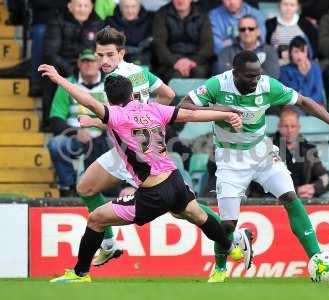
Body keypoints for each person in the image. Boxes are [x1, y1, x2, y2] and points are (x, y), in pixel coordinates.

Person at [39, 65, 253, 283]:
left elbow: (87, 100)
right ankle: (233, 243)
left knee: (96, 219)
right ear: (132, 94)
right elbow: (191, 113)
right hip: (175, 180)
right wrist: (226, 115)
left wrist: (59, 79)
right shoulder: (153, 109)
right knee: (200, 217)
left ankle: (79, 274)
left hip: (153, 194)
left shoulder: (115, 115)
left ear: (109, 99)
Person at [180, 50, 329, 282]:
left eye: (258, 75)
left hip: (261, 153)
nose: (255, 81)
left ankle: (317, 257)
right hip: (230, 159)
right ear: (235, 73)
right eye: (249, 76)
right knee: (226, 228)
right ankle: (220, 268)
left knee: (290, 197)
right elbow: (184, 106)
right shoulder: (218, 84)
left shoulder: (267, 86)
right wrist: (219, 111)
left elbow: (304, 102)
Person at [72, 27, 175, 267]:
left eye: (109, 55)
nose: (103, 61)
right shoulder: (139, 72)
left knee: (182, 207)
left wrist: (92, 121)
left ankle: (229, 238)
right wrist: (151, 122)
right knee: (86, 188)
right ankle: (109, 245)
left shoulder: (114, 81)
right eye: (100, 55)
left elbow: (117, 118)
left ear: (121, 53)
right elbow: (168, 94)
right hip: (126, 150)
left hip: (137, 156)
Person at [47, 49, 109, 197]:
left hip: (105, 138)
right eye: (85, 61)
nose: (88, 65)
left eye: (92, 61)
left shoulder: (111, 84)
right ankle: (69, 187)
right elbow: (56, 120)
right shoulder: (67, 84)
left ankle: (121, 190)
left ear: (99, 64)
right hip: (75, 138)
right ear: (79, 64)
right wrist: (76, 132)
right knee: (55, 144)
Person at [42, 0, 104, 129]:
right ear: (70, 6)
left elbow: (101, 51)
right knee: (50, 72)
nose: (82, 9)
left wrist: (91, 65)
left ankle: (106, 118)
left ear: (91, 7)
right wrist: (71, 70)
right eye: (79, 5)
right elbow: (50, 52)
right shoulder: (57, 21)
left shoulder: (99, 24)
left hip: (89, 62)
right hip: (63, 64)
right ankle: (49, 121)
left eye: (85, 6)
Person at [272, 109, 329, 198]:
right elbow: (262, 183)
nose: (289, 130)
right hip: (275, 202)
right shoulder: (268, 148)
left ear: (299, 127)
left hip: (303, 200)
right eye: (285, 126)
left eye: (293, 126)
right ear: (279, 127)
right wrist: (295, 191)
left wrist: (313, 188)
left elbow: (324, 177)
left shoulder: (308, 149)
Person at [152, 0, 213, 83]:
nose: (180, 1)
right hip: (169, 62)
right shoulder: (162, 14)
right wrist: (175, 62)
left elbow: (207, 44)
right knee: (175, 76)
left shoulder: (202, 15)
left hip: (196, 61)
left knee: (200, 73)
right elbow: (159, 43)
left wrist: (192, 61)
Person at [217, 14, 280, 79]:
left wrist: (240, 69)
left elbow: (273, 78)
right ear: (238, 32)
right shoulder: (226, 52)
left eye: (251, 29)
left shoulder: (270, 51)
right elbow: (224, 77)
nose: (247, 32)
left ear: (258, 31)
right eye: (242, 29)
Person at [29, 0, 68, 96]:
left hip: (65, 19)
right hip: (43, 20)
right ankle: (36, 81)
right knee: (39, 34)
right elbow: (35, 3)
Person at [265, 0, 318, 65]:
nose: (288, 8)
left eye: (292, 5)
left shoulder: (306, 24)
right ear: (279, 5)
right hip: (277, 66)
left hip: (301, 66)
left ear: (297, 7)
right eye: (285, 4)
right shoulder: (270, 24)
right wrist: (280, 54)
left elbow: (314, 49)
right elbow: (264, 48)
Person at [280, 36, 324, 108]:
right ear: (290, 53)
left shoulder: (315, 68)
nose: (299, 55)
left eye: (302, 51)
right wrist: (301, 75)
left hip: (313, 106)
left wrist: (307, 104)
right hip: (295, 107)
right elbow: (288, 95)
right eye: (296, 52)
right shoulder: (285, 70)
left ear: (307, 52)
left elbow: (319, 94)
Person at [106, 0, 153, 66]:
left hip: (143, 61)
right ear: (121, 8)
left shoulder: (149, 21)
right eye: (126, 7)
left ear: (139, 8)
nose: (130, 11)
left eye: (133, 7)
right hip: (119, 62)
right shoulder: (111, 22)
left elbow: (151, 44)